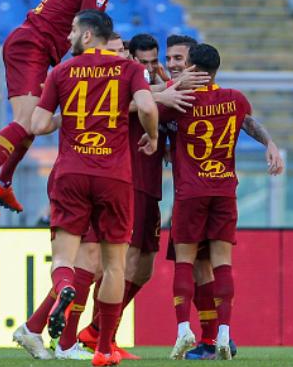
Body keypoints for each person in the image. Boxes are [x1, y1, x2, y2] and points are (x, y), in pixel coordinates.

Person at [0, 0, 152, 218]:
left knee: (36, 123)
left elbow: (89, 33)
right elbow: (90, 33)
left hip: (38, 49)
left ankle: (2, 182)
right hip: (30, 46)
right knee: (28, 121)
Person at [18, 10, 159, 367]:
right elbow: (145, 105)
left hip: (71, 172)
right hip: (114, 175)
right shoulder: (129, 70)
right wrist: (153, 136)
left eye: (71, 32)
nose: (67, 38)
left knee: (65, 259)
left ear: (86, 36)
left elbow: (36, 123)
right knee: (114, 265)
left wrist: (75, 117)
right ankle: (104, 349)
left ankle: (63, 287)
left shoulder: (62, 71)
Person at [74, 33, 208, 360]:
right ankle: (78, 335)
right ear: (129, 59)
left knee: (143, 269)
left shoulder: (161, 92)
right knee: (110, 265)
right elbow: (132, 103)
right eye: (142, 62)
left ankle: (96, 332)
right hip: (126, 183)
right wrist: (165, 91)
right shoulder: (127, 87)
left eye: (155, 62)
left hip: (152, 190)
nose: (148, 68)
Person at [162, 43, 284, 360]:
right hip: (224, 190)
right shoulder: (234, 99)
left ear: (192, 68)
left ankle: (182, 330)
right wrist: (270, 143)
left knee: (185, 262)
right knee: (222, 264)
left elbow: (146, 108)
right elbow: (250, 123)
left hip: (190, 191)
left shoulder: (179, 101)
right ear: (216, 70)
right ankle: (224, 334)